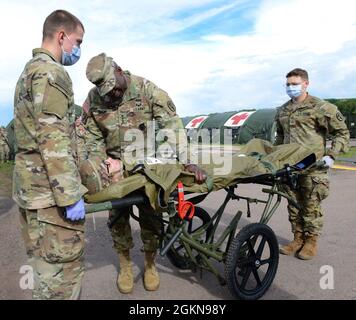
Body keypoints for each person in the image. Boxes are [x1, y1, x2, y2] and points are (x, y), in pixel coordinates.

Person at [83, 53, 207, 293]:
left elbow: (171, 124)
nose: (112, 95)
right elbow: (91, 138)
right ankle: (125, 265)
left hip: (147, 167)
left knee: (151, 215)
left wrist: (187, 161)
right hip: (116, 169)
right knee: (117, 218)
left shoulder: (146, 90)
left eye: (115, 89)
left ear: (119, 70)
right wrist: (101, 164)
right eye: (106, 92)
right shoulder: (94, 99)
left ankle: (150, 264)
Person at [13, 10, 86, 299]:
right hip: (51, 202)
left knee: (43, 275)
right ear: (61, 36)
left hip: (32, 195)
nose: (78, 48)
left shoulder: (28, 72)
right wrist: (70, 196)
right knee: (61, 284)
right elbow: (52, 140)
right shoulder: (51, 72)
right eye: (78, 41)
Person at [275, 68, 350, 260]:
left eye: (294, 84)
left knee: (311, 207)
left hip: (313, 167)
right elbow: (280, 138)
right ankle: (297, 239)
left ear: (306, 84)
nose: (290, 87)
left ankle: (311, 242)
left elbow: (342, 133)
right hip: (289, 168)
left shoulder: (321, 107)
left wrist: (332, 155)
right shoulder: (283, 110)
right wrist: (274, 158)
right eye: (288, 84)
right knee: (293, 206)